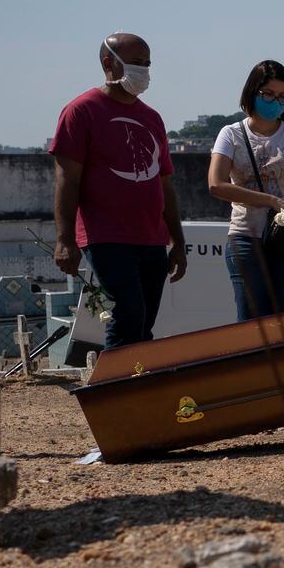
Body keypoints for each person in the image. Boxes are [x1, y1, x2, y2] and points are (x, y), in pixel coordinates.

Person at [49, 32, 187, 349]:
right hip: (106, 236)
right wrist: (64, 239)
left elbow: (165, 184)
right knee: (127, 316)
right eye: (136, 63)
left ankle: (137, 389)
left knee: (144, 324)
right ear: (108, 63)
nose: (144, 71)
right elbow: (67, 180)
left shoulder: (152, 118)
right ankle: (117, 392)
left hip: (152, 238)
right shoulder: (81, 111)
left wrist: (177, 242)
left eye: (147, 64)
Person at [207, 60, 284, 320]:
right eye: (268, 94)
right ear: (252, 92)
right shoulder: (230, 135)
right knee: (251, 320)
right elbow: (216, 185)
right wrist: (270, 200)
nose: (276, 101)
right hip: (245, 234)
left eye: (283, 96)